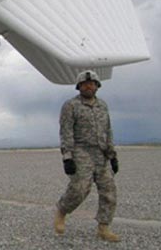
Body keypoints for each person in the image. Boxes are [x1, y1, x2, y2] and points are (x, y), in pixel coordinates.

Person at [54, 70, 120, 242]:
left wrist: (112, 155)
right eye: (85, 83)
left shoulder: (102, 106)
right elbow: (66, 131)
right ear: (79, 87)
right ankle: (62, 210)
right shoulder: (71, 106)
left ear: (97, 86)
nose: (89, 86)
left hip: (102, 152)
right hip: (81, 151)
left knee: (109, 191)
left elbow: (108, 130)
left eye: (92, 83)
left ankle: (103, 227)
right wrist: (67, 157)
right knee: (80, 188)